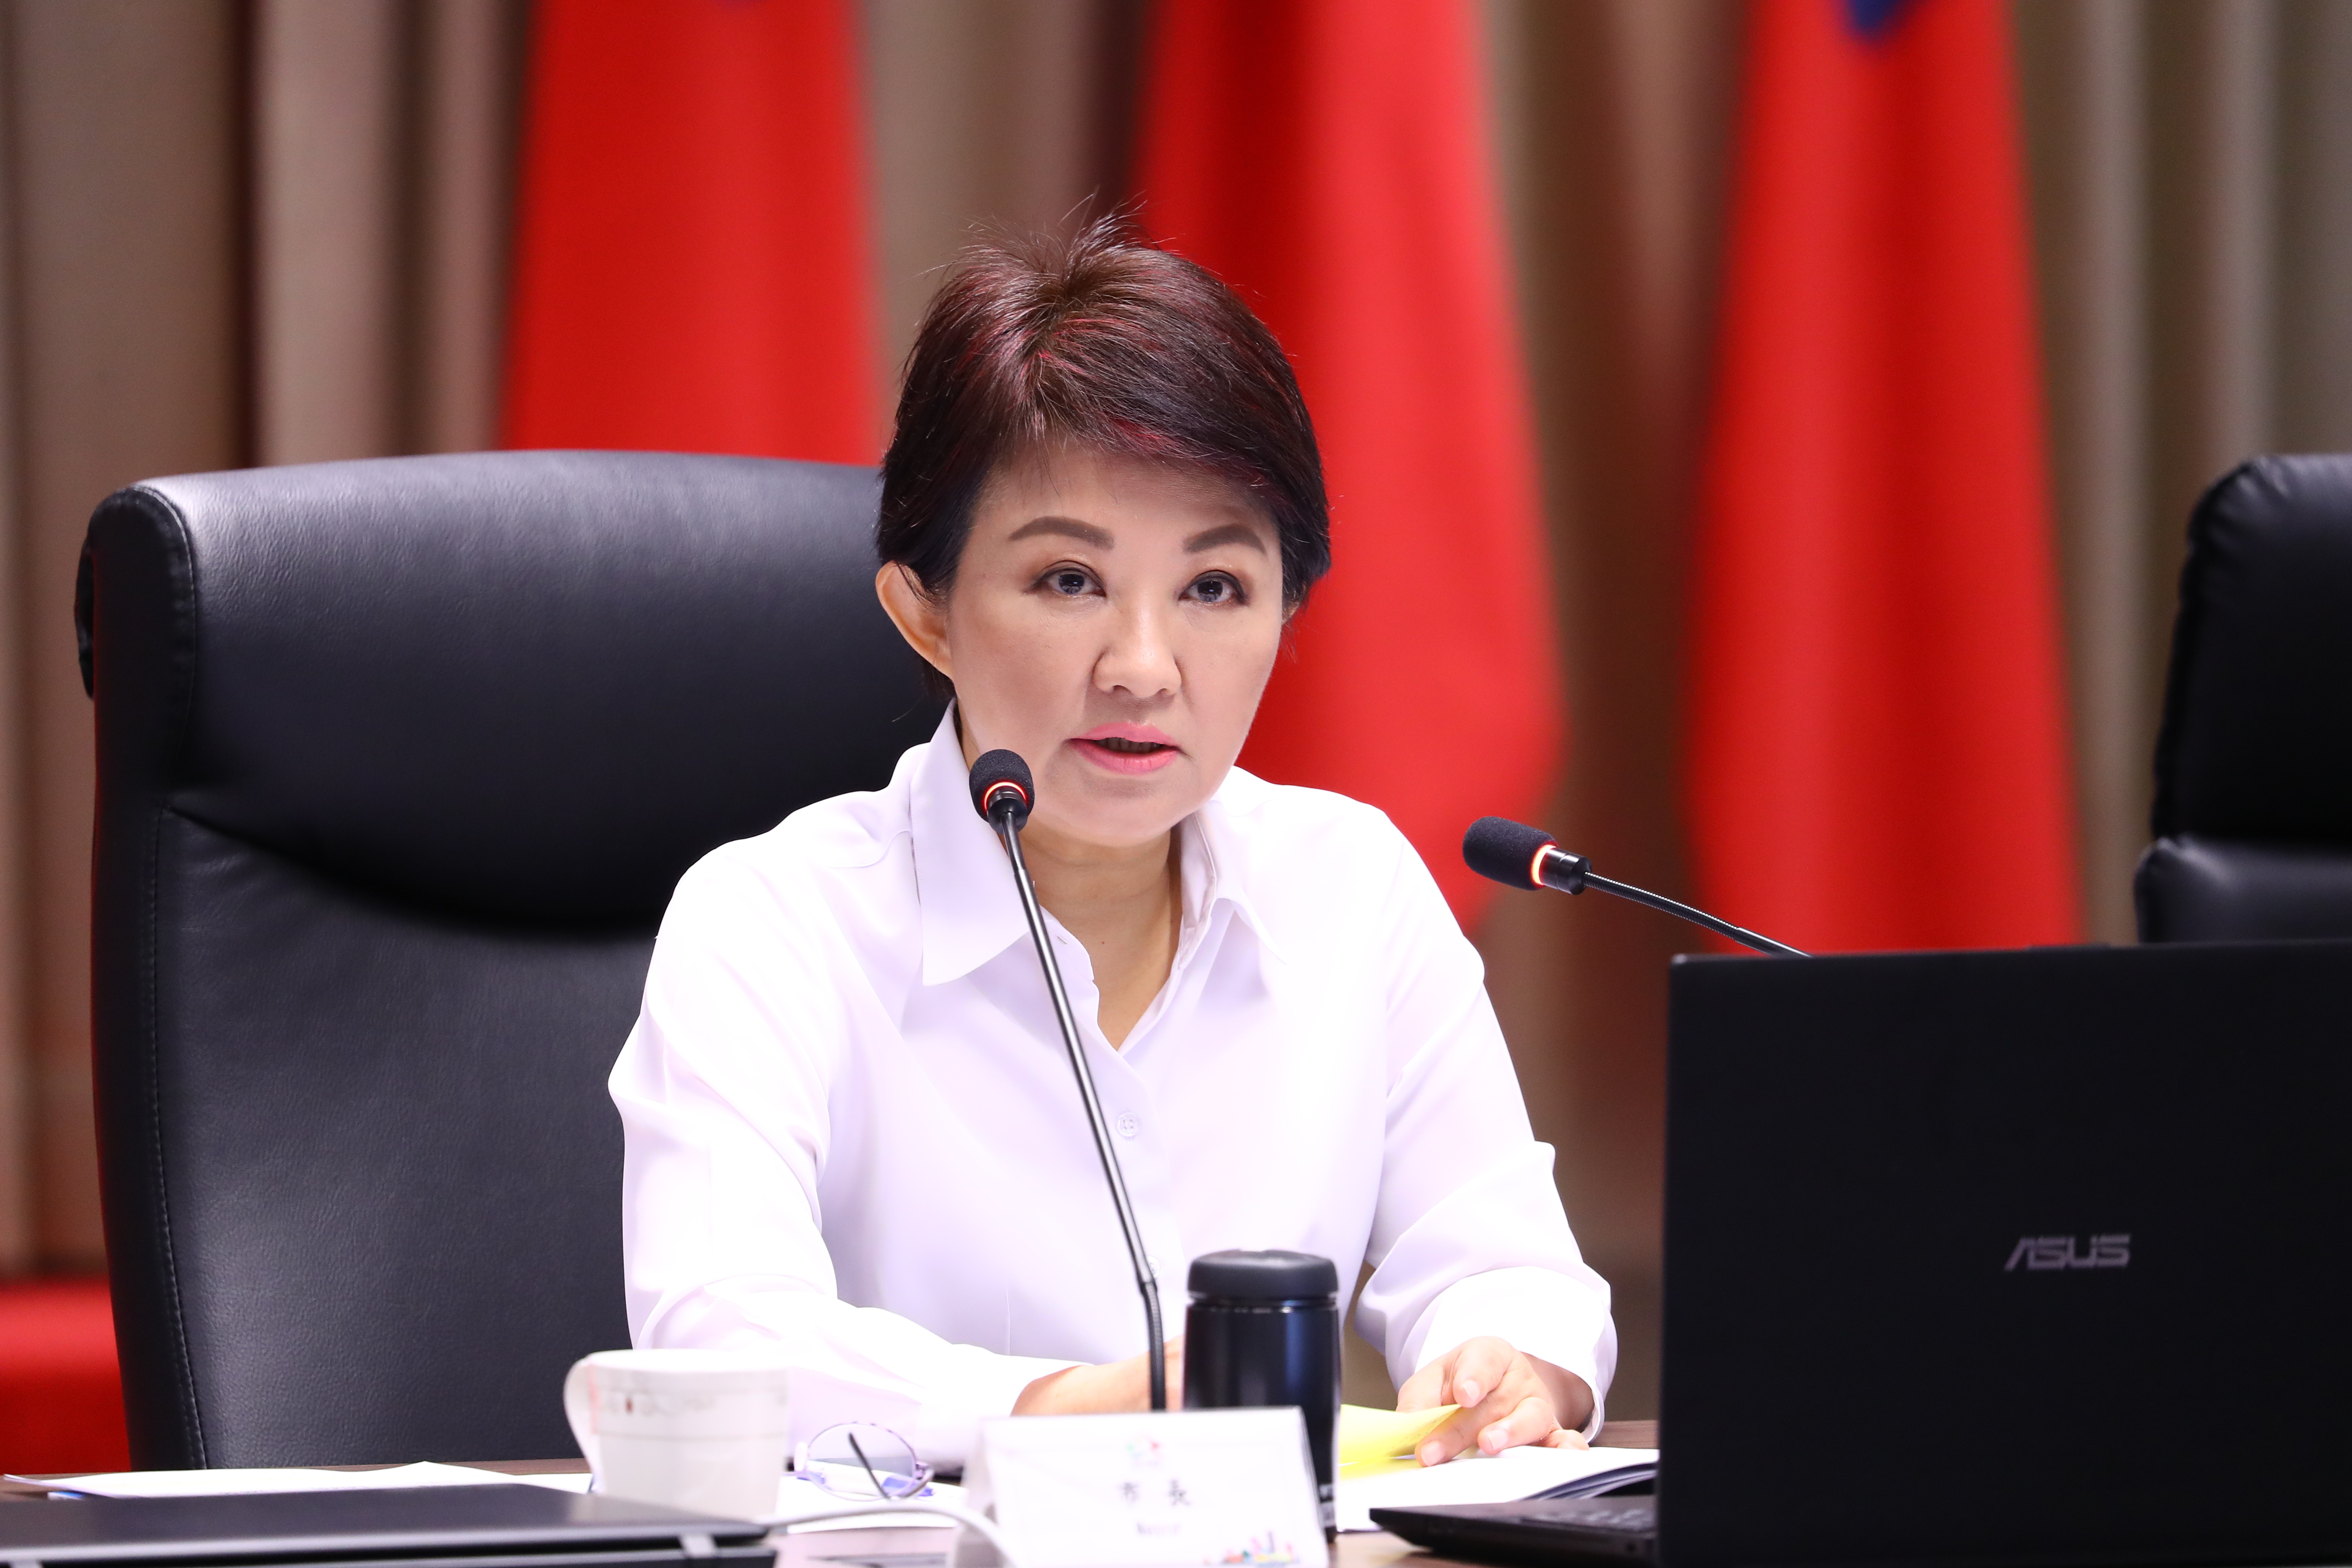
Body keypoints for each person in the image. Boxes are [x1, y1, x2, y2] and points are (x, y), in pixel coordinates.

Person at [611, 219, 1615, 1472]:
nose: (1144, 669)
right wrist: (1068, 1408)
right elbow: (716, 1335)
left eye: (1214, 589)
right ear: (924, 613)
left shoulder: (1349, 888)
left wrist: (1505, 1361)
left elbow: (1506, 1264)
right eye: (1069, 581)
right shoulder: (773, 919)